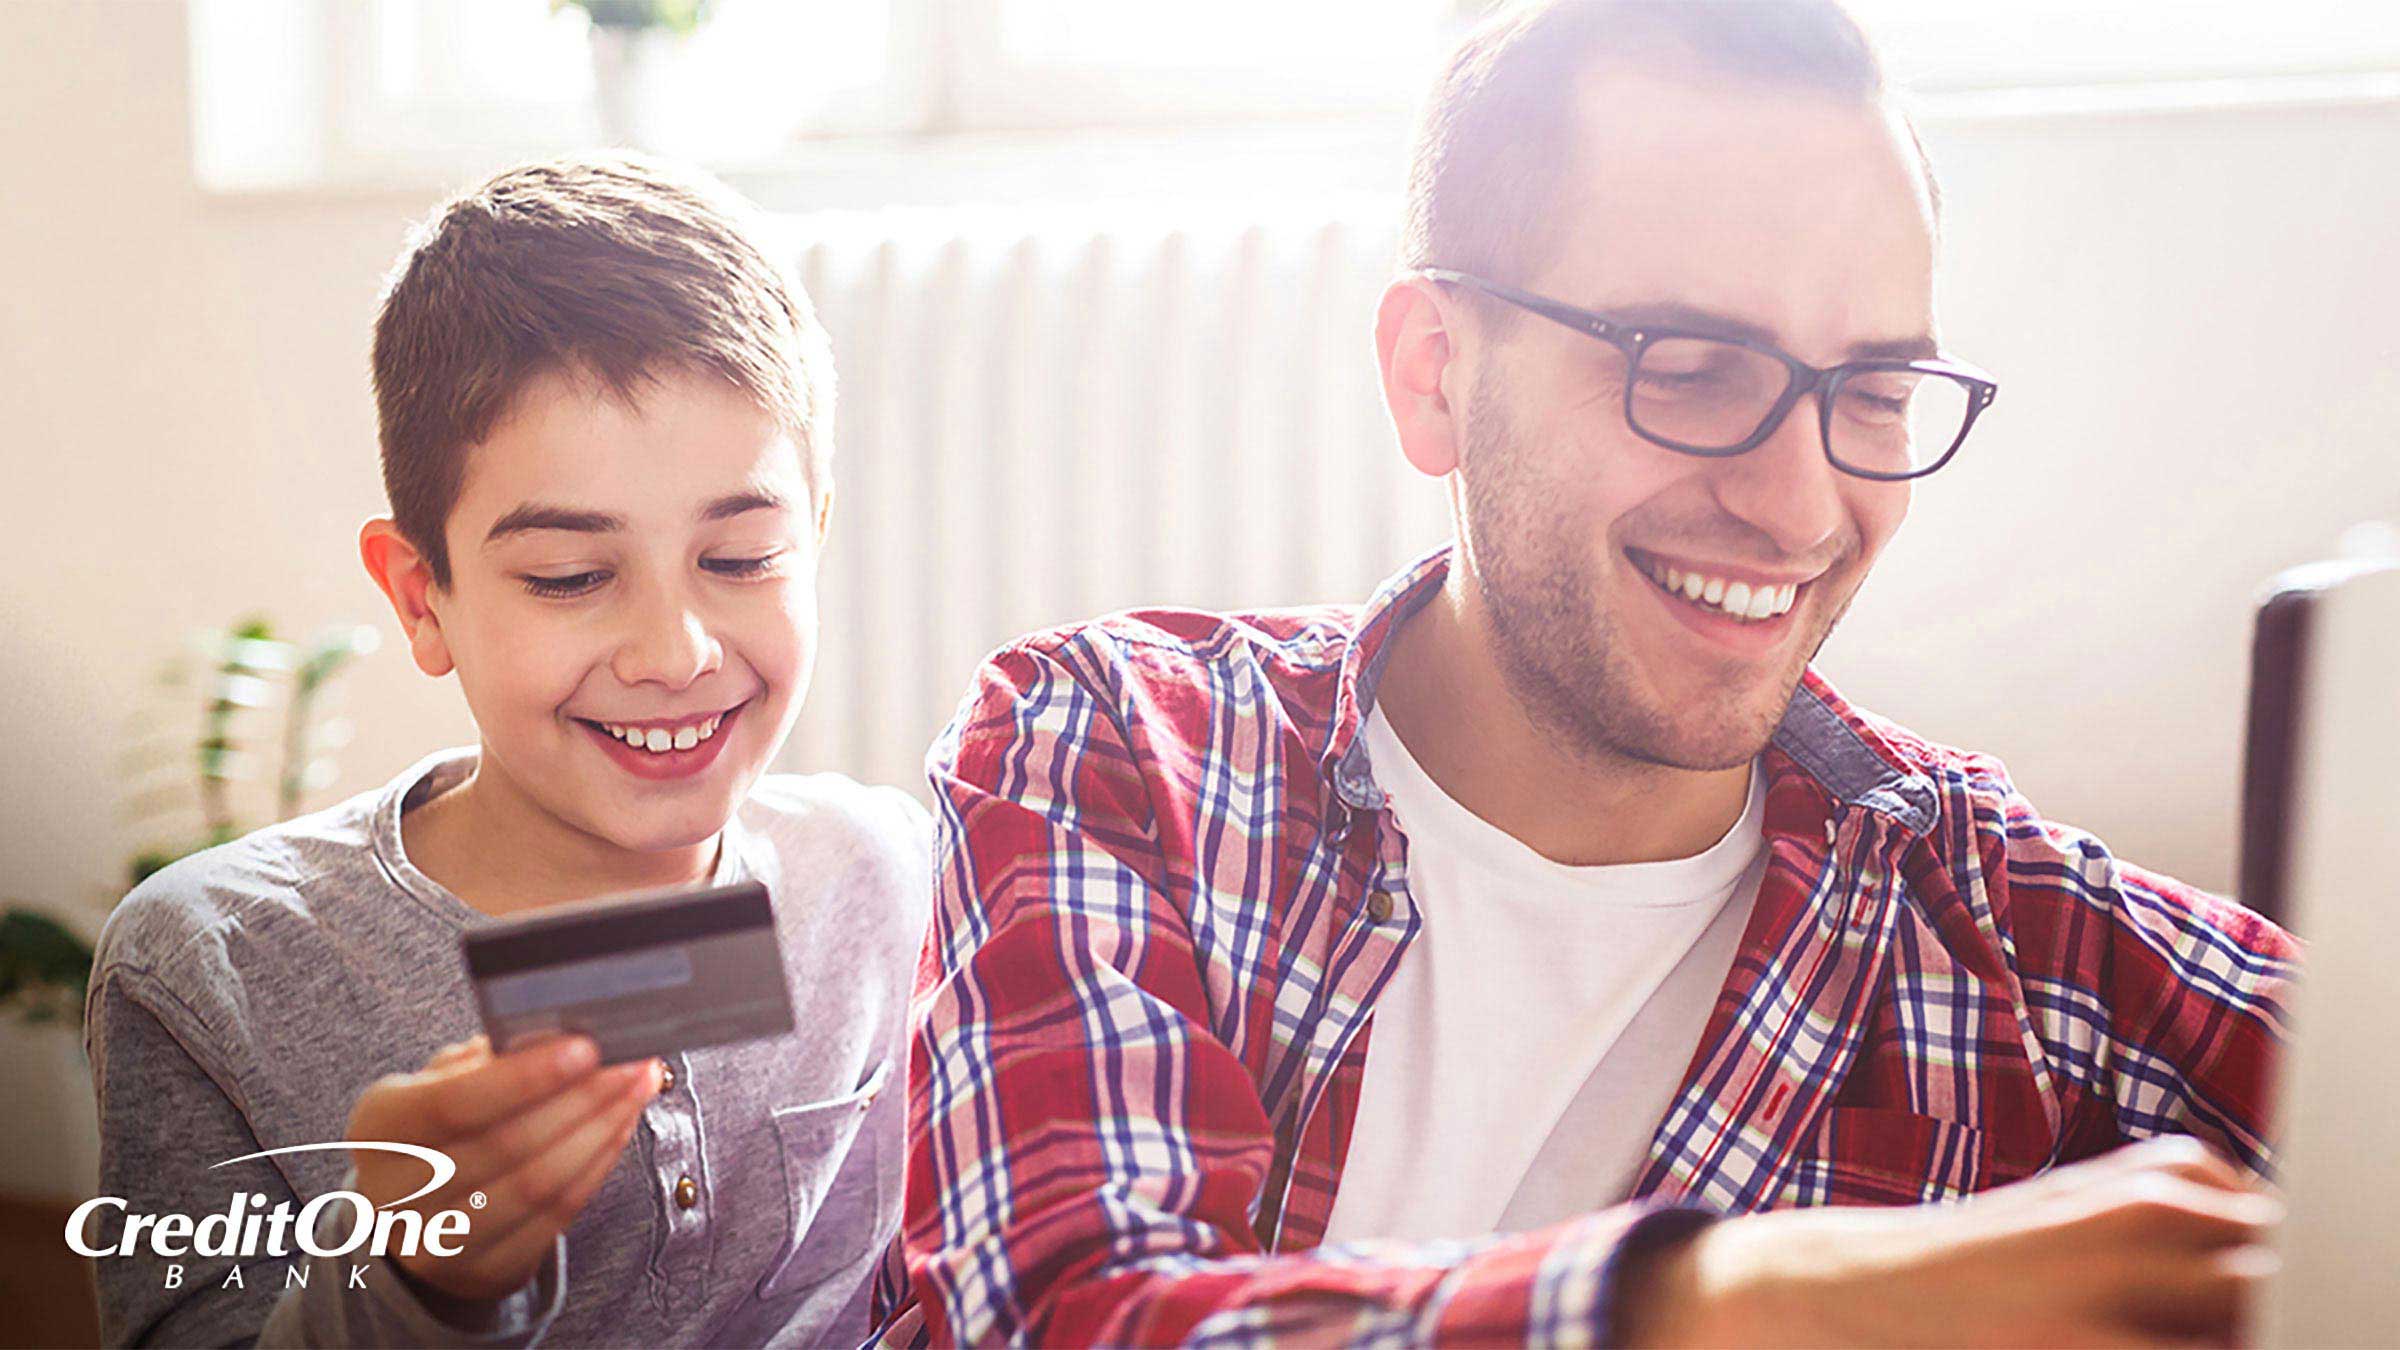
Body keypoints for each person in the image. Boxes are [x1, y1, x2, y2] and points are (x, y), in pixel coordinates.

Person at [881, 3, 2297, 1345]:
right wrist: (1744, 1304)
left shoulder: (1998, 920)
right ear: (1435, 371)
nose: (1800, 508)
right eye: (1691, 368)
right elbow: (1066, 1312)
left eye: (1870, 394)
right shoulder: (1120, 745)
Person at [84, 153, 925, 1347]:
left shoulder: (893, 874)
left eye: (740, 559)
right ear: (422, 597)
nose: (673, 651)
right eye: (570, 577)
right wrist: (416, 1284)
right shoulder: (213, 969)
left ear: (817, 535)